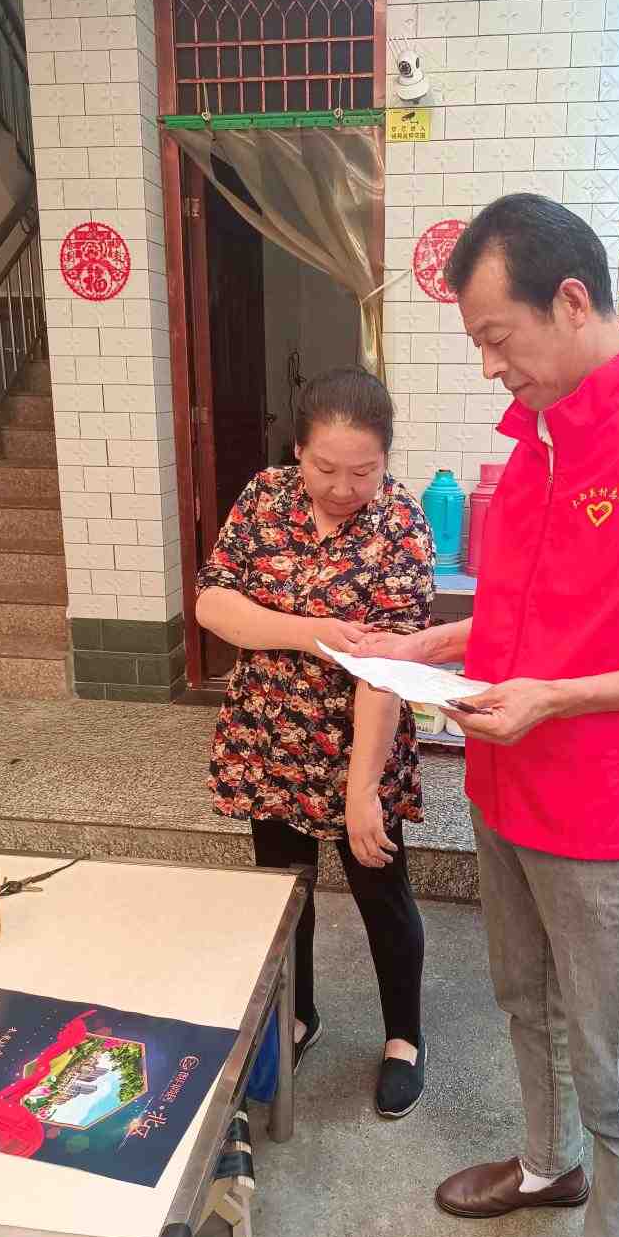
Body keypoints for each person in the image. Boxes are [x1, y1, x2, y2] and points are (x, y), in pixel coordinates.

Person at [353, 195, 619, 1237]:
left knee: (611, 1060)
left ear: (573, 300)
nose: (490, 365)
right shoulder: (538, 434)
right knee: (523, 999)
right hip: (506, 785)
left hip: (607, 817)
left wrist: (558, 698)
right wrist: (446, 641)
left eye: (498, 336)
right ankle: (548, 1164)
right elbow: (550, 606)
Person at [195, 366, 434, 1118]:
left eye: (363, 471)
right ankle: (297, 1016)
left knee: (381, 892)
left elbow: (387, 668)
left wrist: (362, 793)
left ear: (386, 459)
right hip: (270, 734)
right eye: (326, 467)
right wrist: (312, 633)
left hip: (362, 740)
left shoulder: (401, 523)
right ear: (298, 449)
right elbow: (213, 603)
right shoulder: (265, 497)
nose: (342, 487)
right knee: (284, 891)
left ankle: (404, 1038)